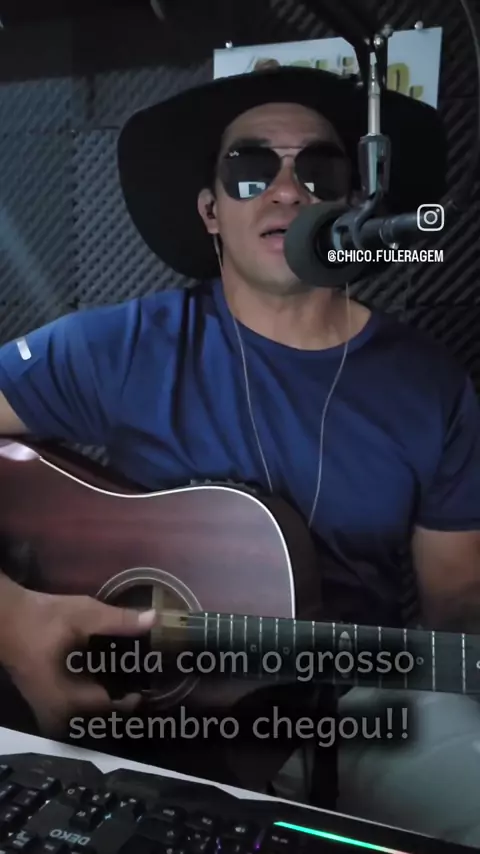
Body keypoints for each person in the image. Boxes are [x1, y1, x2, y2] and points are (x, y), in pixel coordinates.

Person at [0, 64, 479, 845]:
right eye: (251, 169)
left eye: (318, 169)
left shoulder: (432, 388)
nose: (286, 190)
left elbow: (458, 611)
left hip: (353, 711)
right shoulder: (122, 346)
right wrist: (14, 619)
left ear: (354, 202)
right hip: (131, 716)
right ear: (210, 212)